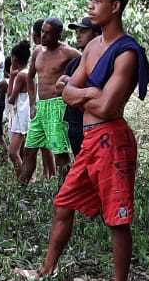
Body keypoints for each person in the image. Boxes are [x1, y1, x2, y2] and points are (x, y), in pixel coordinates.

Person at [24, 0, 149, 281]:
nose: (91, 6)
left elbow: (108, 106)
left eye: (97, 0)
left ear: (116, 6)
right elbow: (67, 93)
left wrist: (78, 92)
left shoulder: (126, 53)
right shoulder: (93, 46)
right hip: (91, 139)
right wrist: (87, 92)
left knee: (117, 219)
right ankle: (47, 269)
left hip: (112, 140)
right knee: (63, 203)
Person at [22, 17, 81, 181]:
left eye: (48, 34)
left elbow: (87, 67)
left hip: (58, 106)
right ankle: (20, 192)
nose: (43, 36)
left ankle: (64, 194)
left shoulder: (69, 52)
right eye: (42, 32)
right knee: (29, 150)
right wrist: (33, 103)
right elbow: (30, 77)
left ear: (58, 34)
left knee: (60, 153)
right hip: (41, 107)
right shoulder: (38, 52)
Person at [63, 17, 99, 156]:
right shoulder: (74, 64)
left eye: (83, 31)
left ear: (96, 34)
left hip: (94, 125)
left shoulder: (103, 62)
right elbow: (59, 88)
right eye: (77, 31)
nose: (78, 34)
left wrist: (71, 87)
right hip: (74, 124)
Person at [6, 40, 33, 168]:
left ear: (14, 58)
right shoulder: (29, 73)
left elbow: (10, 98)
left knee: (13, 152)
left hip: (22, 116)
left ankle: (22, 181)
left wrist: (11, 76)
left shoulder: (21, 75)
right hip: (26, 114)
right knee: (23, 151)